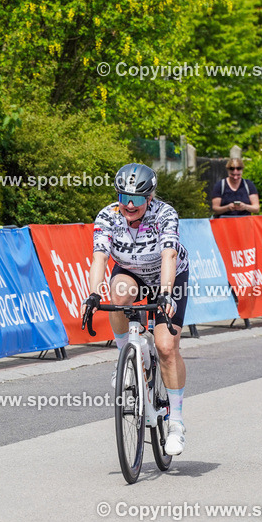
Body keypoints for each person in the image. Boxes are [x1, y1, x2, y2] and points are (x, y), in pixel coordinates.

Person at [83, 163, 191, 455]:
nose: (130, 205)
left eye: (138, 199)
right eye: (124, 197)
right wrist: (93, 294)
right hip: (132, 272)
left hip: (168, 276)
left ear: (150, 197)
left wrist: (166, 294)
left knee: (166, 347)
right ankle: (127, 356)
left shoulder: (164, 215)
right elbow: (100, 258)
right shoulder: (108, 216)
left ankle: (177, 422)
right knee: (118, 295)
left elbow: (168, 254)